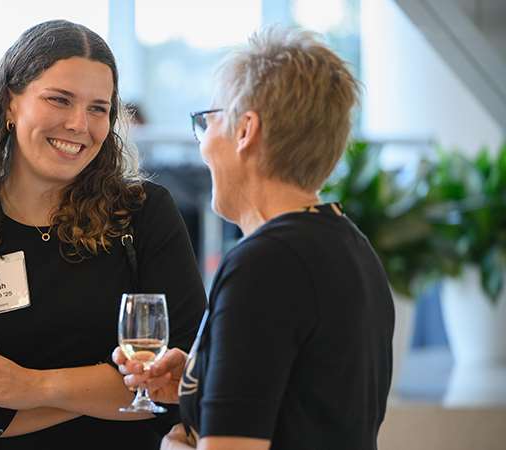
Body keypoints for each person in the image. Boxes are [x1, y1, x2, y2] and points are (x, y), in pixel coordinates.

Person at [0, 20, 207, 449]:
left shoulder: (142, 215)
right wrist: (119, 391)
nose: (79, 124)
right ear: (9, 103)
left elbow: (187, 380)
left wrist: (32, 386)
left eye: (98, 108)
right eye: (59, 99)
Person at [114, 27, 394, 450]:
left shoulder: (264, 265)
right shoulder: (350, 246)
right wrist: (199, 382)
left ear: (246, 130)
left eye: (207, 121)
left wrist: (174, 443)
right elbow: (308, 404)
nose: (204, 142)